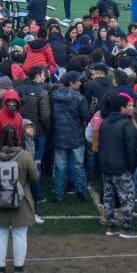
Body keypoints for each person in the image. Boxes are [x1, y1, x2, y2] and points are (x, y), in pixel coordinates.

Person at [0, 126, 38, 273]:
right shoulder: (24, 156)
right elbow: (35, 178)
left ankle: (0, 268)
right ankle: (19, 268)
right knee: (20, 235)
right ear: (17, 138)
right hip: (21, 202)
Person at [98, 91, 137, 238]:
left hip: (106, 166)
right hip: (121, 168)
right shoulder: (127, 125)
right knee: (127, 197)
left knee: (108, 197)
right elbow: (131, 149)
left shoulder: (104, 123)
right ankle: (126, 228)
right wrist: (132, 167)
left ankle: (111, 226)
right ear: (122, 108)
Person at [50, 72, 89, 202]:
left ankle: (58, 194)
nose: (80, 83)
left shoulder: (53, 96)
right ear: (71, 83)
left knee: (60, 166)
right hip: (76, 135)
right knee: (78, 165)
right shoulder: (80, 98)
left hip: (59, 135)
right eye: (78, 81)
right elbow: (85, 117)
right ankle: (81, 191)